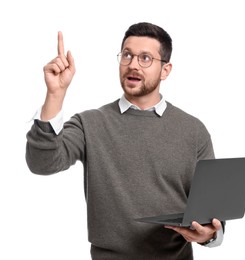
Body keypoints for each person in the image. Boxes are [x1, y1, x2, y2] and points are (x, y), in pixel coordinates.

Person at [26, 22, 225, 259]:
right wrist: (55, 95)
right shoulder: (89, 123)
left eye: (145, 58)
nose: (133, 65)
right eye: (127, 55)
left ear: (165, 70)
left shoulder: (193, 130)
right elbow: (42, 162)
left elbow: (212, 214)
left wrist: (209, 235)